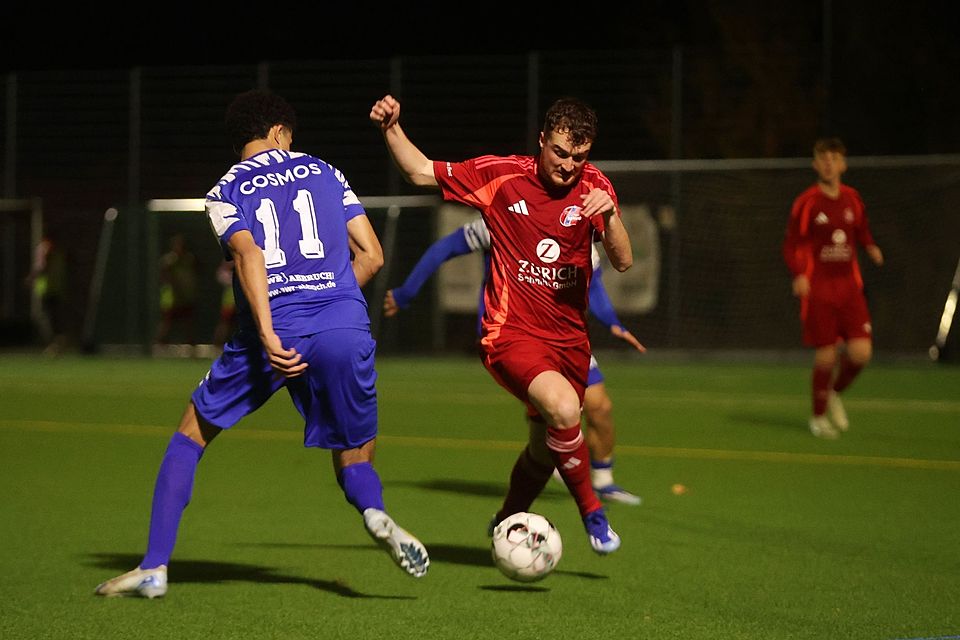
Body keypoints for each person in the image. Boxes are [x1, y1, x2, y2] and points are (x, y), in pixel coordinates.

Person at [95, 89, 429, 599]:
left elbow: (249, 257)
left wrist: (271, 333)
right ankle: (376, 513)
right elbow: (373, 255)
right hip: (345, 324)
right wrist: (330, 297)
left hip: (277, 331)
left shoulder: (224, 191)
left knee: (191, 433)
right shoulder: (324, 170)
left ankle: (154, 567)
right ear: (279, 133)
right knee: (354, 453)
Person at [370, 94, 633, 554]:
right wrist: (392, 128)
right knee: (567, 410)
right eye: (560, 152)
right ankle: (594, 513)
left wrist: (609, 216)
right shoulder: (502, 176)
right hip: (509, 334)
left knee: (545, 448)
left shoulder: (596, 187)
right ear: (542, 141)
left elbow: (624, 260)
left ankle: (508, 518)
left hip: (570, 342)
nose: (569, 166)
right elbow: (420, 170)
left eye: (580, 156)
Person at [384, 215, 645, 505]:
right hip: (515, 336)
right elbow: (444, 249)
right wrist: (406, 293)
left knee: (600, 407)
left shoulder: (579, 229)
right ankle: (548, 476)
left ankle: (603, 480)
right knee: (551, 411)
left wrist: (612, 323)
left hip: (563, 336)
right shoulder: (499, 216)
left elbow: (592, 286)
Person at [783, 137, 884, 439]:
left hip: (850, 288)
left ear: (843, 164)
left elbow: (862, 230)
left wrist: (870, 247)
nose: (828, 163)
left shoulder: (853, 198)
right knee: (826, 356)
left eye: (834, 158)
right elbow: (792, 244)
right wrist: (799, 273)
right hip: (819, 289)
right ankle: (818, 417)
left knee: (861, 353)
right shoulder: (807, 202)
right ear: (816, 165)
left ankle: (834, 393)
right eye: (823, 159)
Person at [154, 233, 199, 346]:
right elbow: (163, 275)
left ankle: (191, 345)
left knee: (188, 321)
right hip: (172, 296)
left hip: (186, 295)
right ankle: (159, 343)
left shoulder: (189, 258)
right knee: (167, 321)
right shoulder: (169, 260)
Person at [26, 233, 68, 355]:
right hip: (52, 289)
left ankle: (54, 343)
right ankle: (57, 341)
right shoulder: (58, 254)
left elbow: (41, 267)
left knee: (49, 317)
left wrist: (31, 277)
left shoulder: (44, 249)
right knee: (52, 316)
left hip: (49, 289)